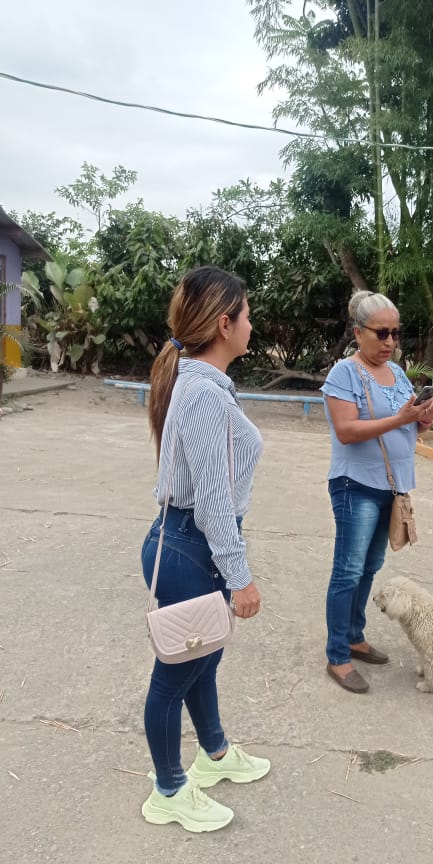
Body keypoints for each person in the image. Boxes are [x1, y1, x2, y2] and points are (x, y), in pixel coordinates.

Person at [140, 266, 270, 833]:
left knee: (204, 658)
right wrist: (240, 576)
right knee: (175, 675)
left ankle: (214, 754)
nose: (251, 325)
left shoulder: (206, 386)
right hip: (189, 547)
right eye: (247, 315)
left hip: (194, 546)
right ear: (224, 324)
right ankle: (168, 789)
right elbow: (214, 500)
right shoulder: (202, 395)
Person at [321, 290, 433, 693]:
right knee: (348, 570)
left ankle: (354, 636)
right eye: (382, 333)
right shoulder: (345, 374)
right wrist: (400, 418)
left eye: (396, 333)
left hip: (392, 486)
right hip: (355, 485)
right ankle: (337, 655)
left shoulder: (397, 373)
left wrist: (423, 418)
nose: (390, 341)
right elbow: (346, 430)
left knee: (370, 566)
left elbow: (408, 425)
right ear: (359, 333)